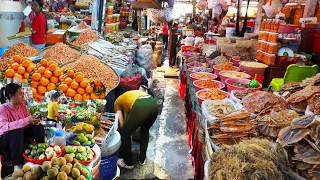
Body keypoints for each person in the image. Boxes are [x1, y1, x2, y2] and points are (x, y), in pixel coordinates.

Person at [0, 83, 44, 166]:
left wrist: (33, 121)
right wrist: (27, 120)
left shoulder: (22, 106)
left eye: (23, 93)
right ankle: (17, 163)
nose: (23, 96)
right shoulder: (3, 109)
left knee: (38, 127)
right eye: (20, 94)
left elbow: (27, 122)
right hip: (7, 140)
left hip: (22, 137)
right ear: (12, 96)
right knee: (16, 131)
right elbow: (3, 127)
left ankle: (41, 152)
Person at [115, 90, 158, 169]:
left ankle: (128, 163)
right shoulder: (127, 97)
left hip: (140, 106)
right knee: (145, 131)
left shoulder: (116, 103)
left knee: (125, 133)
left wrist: (127, 132)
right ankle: (142, 159)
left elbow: (121, 124)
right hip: (153, 104)